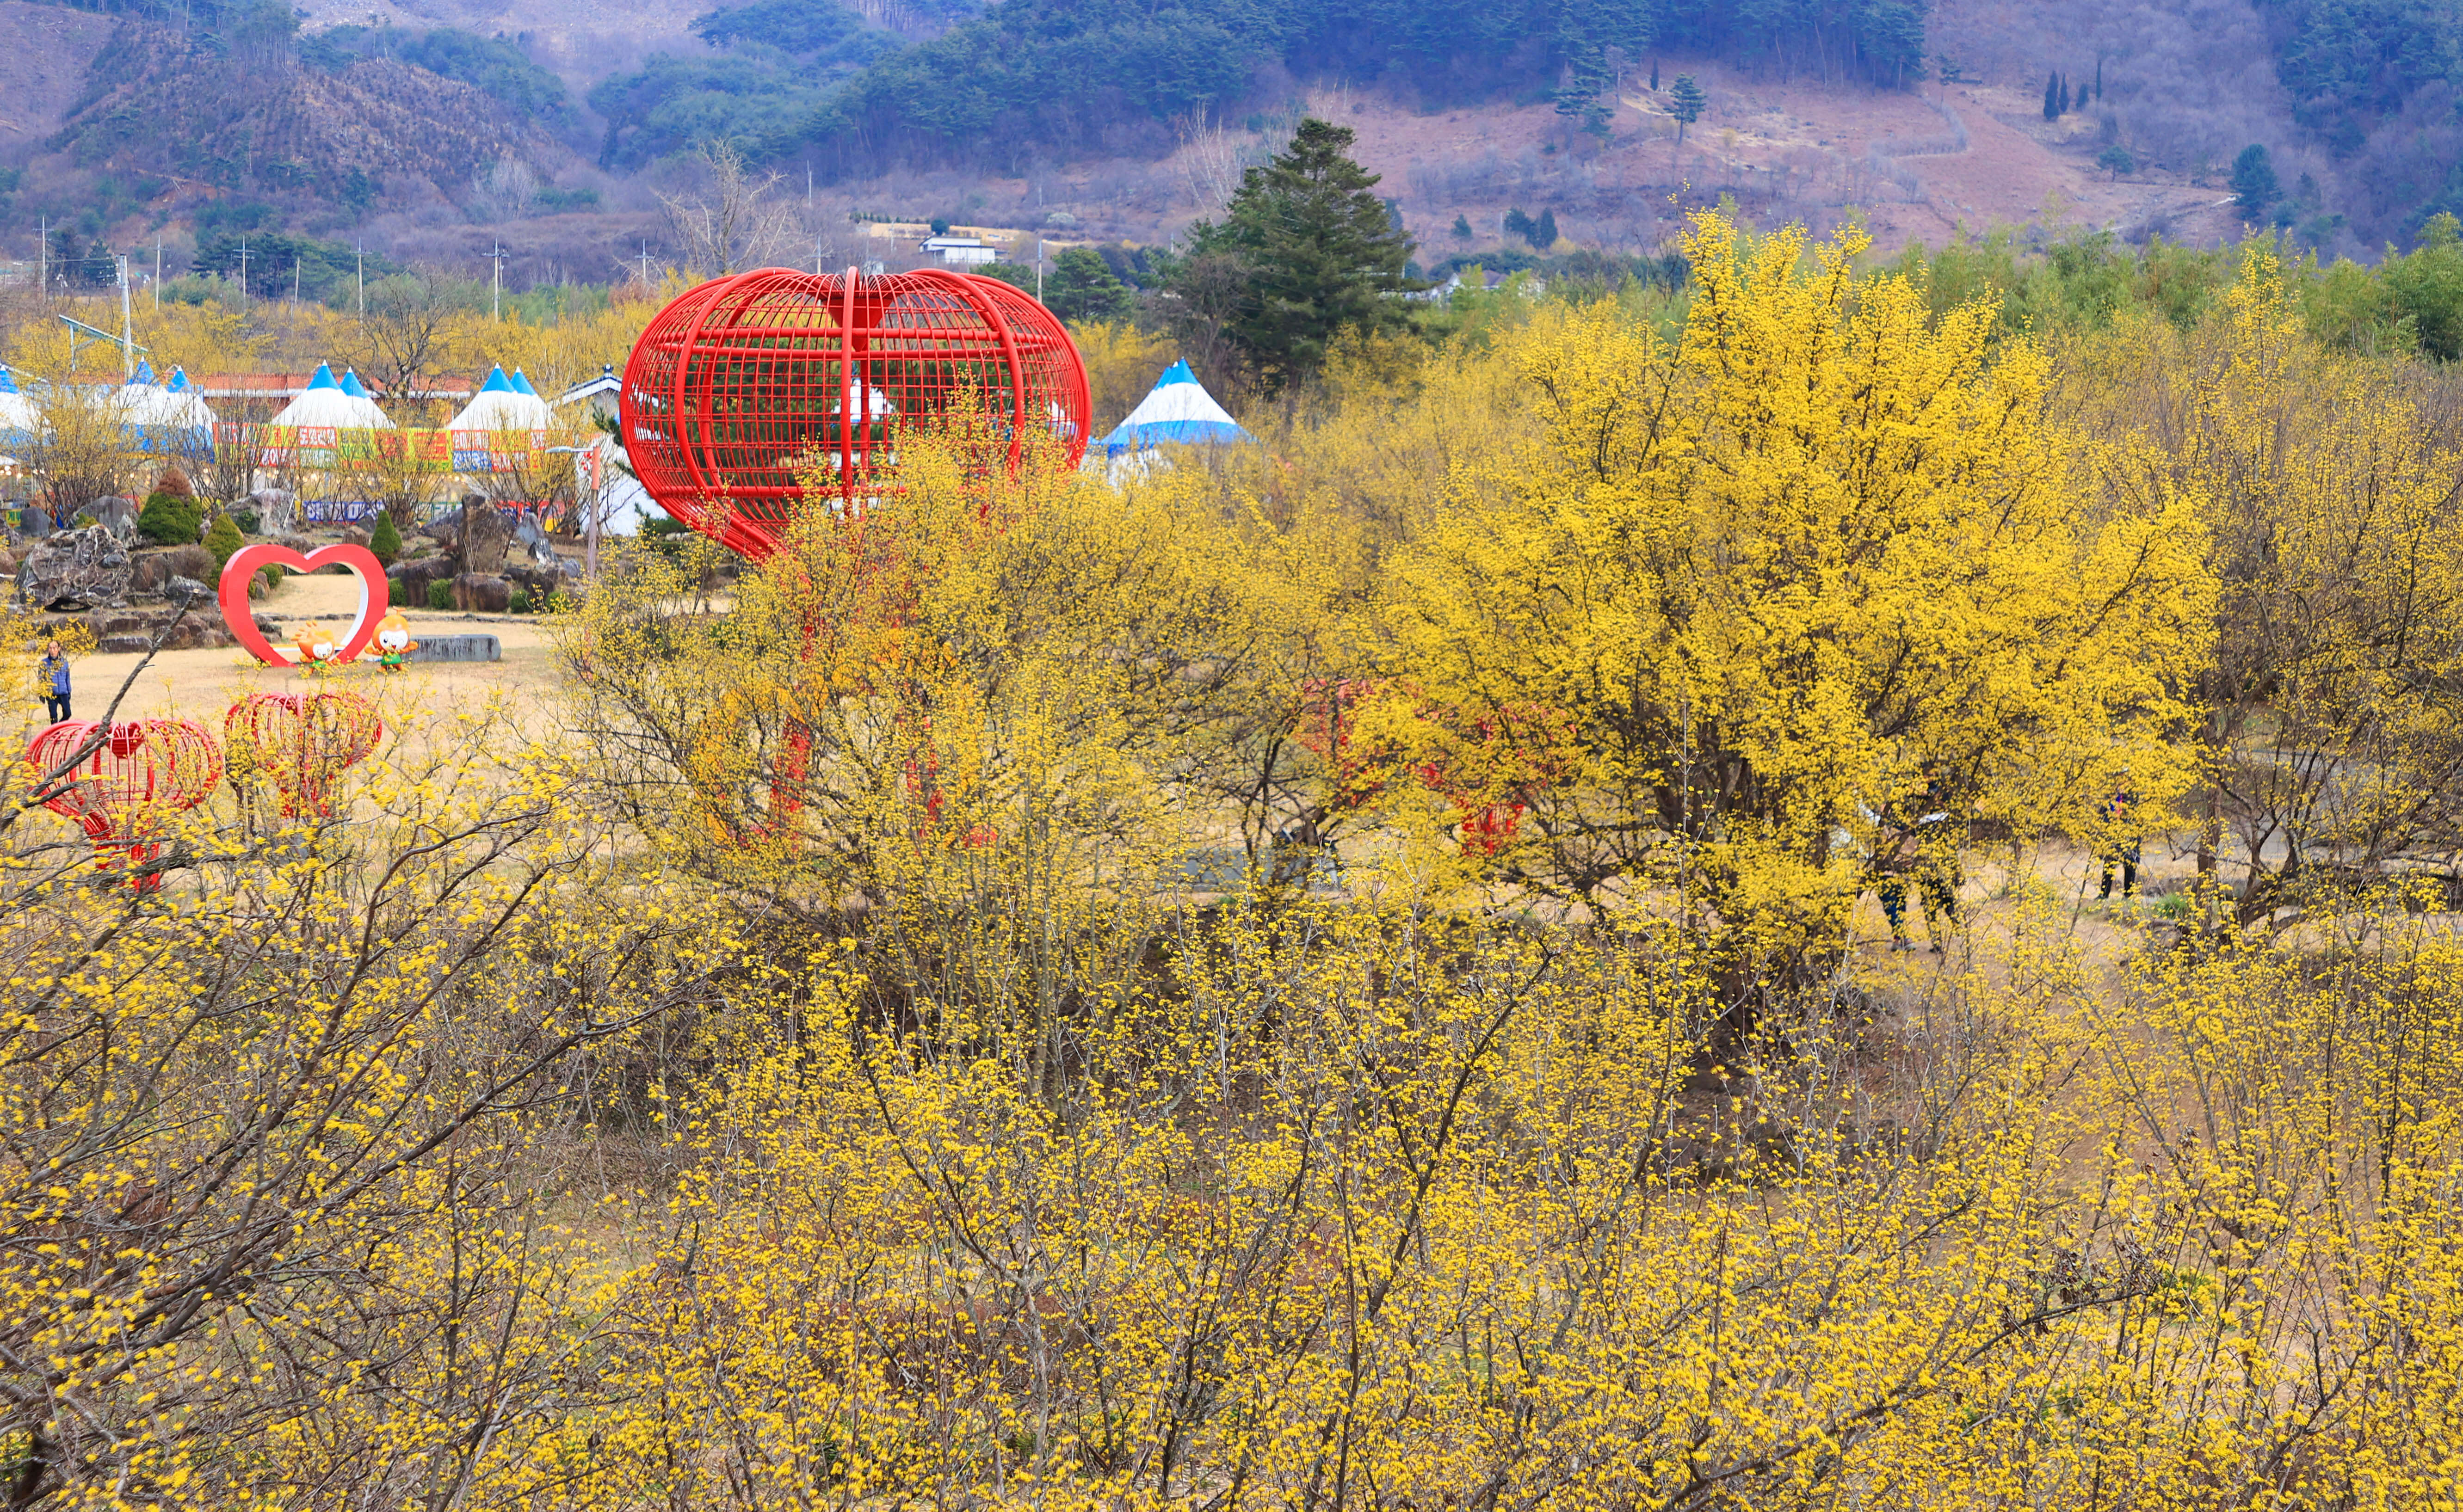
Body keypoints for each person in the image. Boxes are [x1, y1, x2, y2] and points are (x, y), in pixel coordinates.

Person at [2098, 787, 2140, 899]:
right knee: (2109, 863)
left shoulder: (2134, 795)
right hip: (2111, 834)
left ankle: (2129, 895)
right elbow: (2103, 814)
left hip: (2129, 834)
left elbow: (2138, 816)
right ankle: (2104, 894)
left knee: (2130, 864)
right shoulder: (2111, 795)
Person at [35, 639, 69, 723]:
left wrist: (69, 691)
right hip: (51, 693)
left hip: (63, 692)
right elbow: (41, 679)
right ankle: (55, 735)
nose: (52, 650)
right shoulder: (44, 663)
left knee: (68, 714)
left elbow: (67, 678)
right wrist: (42, 694)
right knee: (53, 717)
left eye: (54, 648)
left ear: (59, 649)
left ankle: (58, 727)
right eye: (50, 648)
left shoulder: (64, 662)